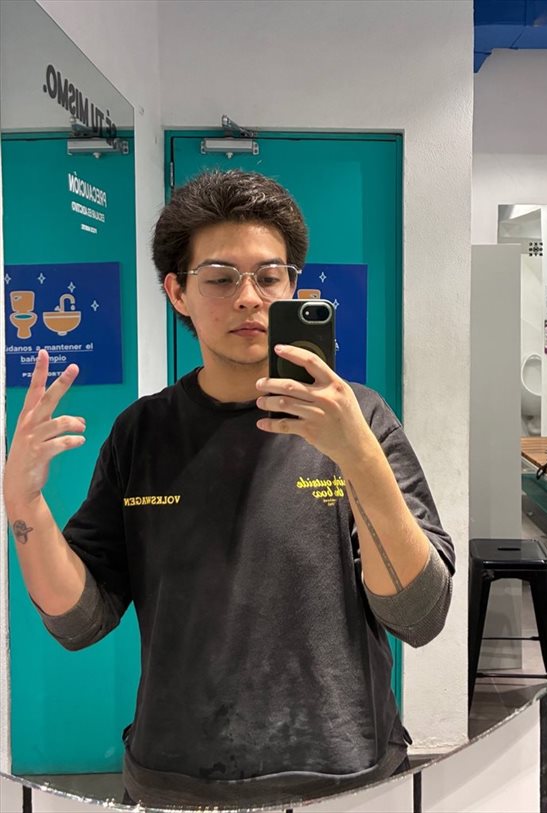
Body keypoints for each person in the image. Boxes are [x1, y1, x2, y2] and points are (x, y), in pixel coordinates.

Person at [3, 170, 454, 808]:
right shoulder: (142, 432)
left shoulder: (362, 418)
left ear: (293, 285)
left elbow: (419, 615)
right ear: (177, 293)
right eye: (220, 278)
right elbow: (79, 620)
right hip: (173, 779)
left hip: (344, 776)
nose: (249, 298)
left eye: (269, 276)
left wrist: (357, 456)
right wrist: (24, 505)